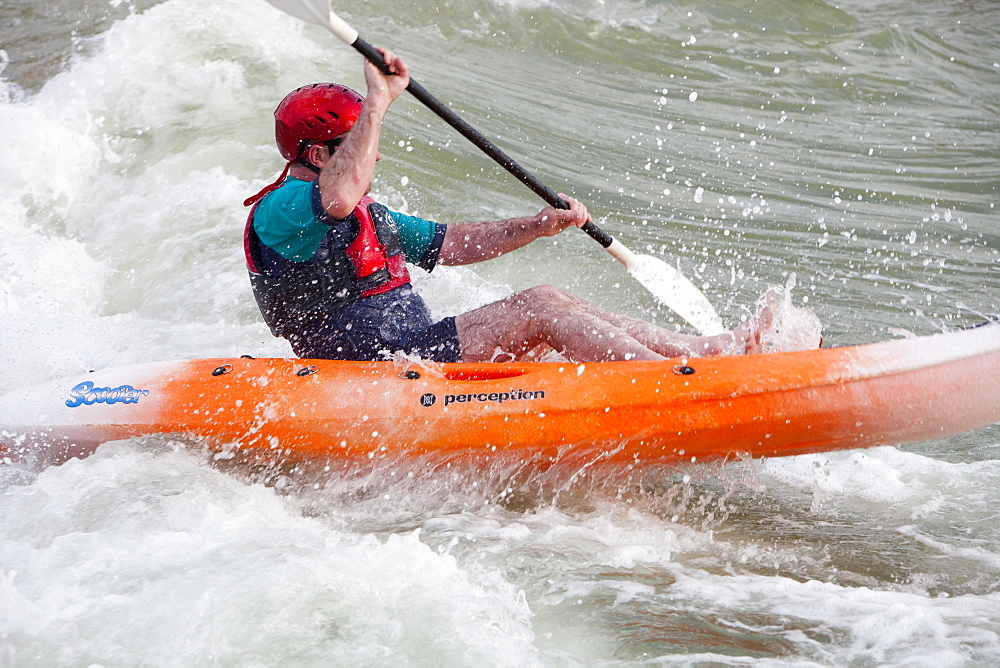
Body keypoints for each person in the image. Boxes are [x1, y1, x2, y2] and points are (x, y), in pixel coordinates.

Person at [243, 48, 782, 363]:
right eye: (358, 137)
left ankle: (703, 352)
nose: (374, 150)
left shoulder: (365, 211)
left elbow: (451, 244)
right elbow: (336, 197)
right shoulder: (283, 209)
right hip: (364, 371)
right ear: (317, 153)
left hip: (408, 353)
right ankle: (673, 386)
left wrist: (539, 225)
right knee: (538, 310)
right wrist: (378, 103)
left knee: (547, 296)